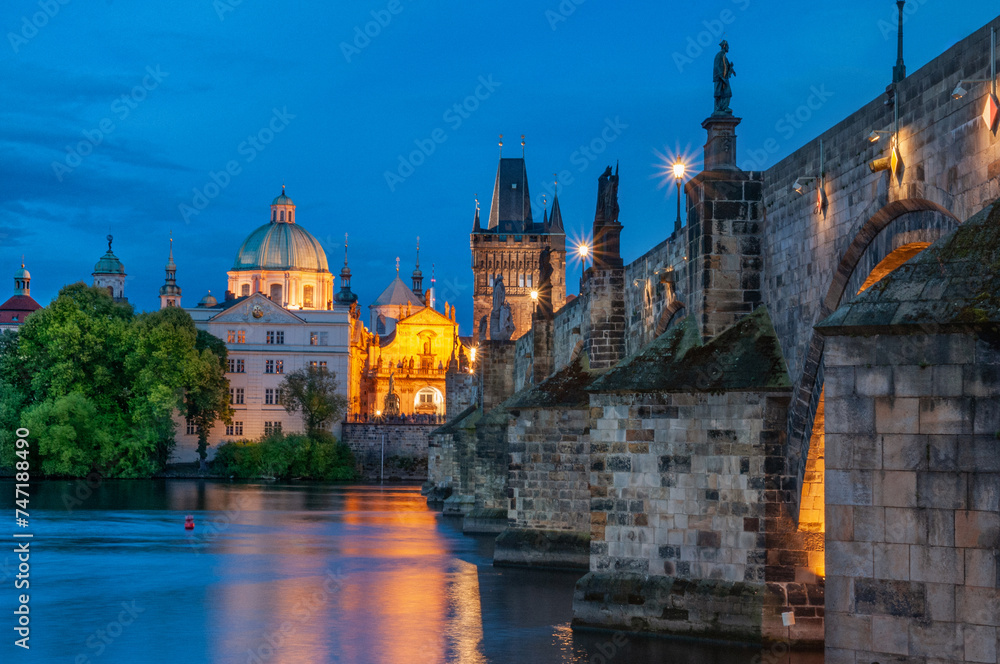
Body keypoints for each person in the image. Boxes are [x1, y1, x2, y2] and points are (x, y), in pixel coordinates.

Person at [713, 40, 735, 115]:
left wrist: (731, 69)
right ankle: (719, 107)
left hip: (724, 78)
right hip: (720, 78)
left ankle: (725, 107)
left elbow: (727, 66)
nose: (728, 48)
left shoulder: (725, 57)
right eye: (728, 46)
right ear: (724, 46)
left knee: (727, 92)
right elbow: (716, 66)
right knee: (719, 94)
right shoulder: (719, 55)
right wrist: (721, 77)